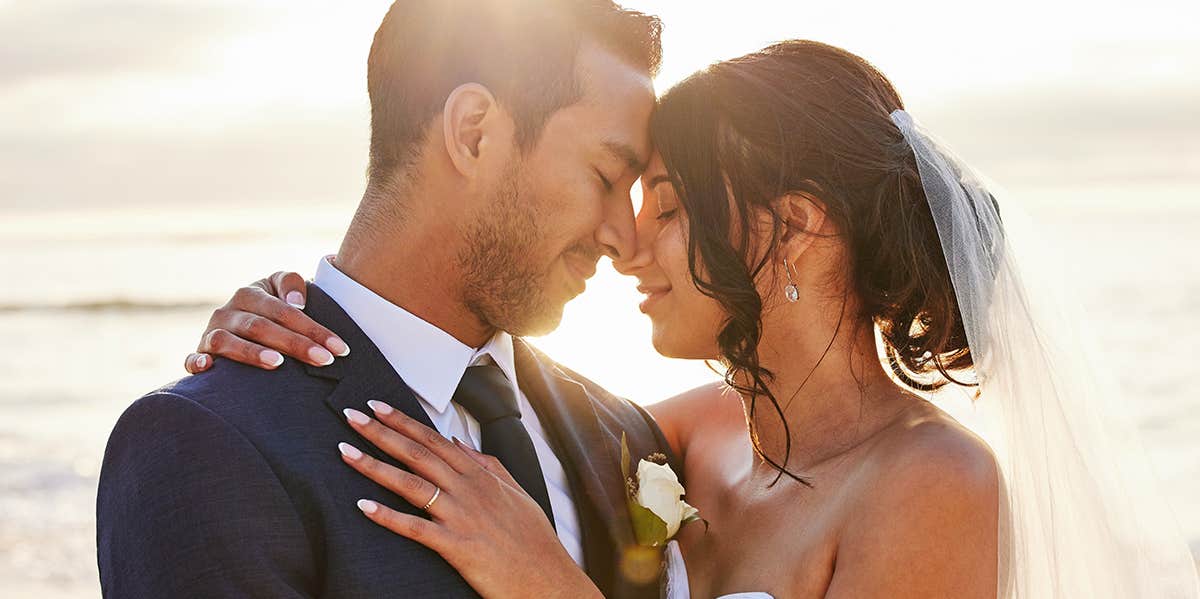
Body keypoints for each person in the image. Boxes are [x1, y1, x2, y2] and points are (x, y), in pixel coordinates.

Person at [192, 40, 1200, 598]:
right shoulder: (663, 440)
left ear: (797, 228)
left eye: (668, 210)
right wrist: (299, 320)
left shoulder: (934, 483)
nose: (631, 244)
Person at [95, 1, 676, 597]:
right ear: (473, 133)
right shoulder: (208, 443)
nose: (623, 237)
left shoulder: (625, 433)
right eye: (607, 178)